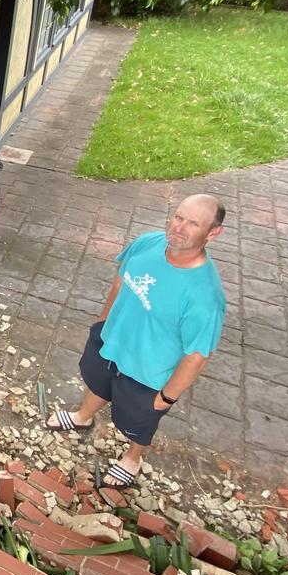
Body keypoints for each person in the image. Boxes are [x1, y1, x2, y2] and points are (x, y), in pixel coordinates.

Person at [46, 194, 227, 490]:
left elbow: (197, 356)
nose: (179, 227)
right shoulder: (148, 243)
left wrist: (165, 398)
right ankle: (82, 417)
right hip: (111, 342)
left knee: (139, 423)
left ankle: (132, 459)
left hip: (148, 374)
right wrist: (102, 324)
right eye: (178, 216)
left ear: (213, 233)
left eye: (193, 223)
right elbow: (120, 281)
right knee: (98, 384)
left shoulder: (205, 297)